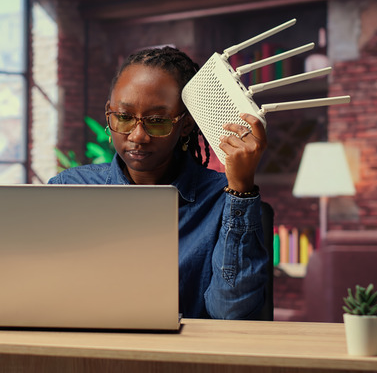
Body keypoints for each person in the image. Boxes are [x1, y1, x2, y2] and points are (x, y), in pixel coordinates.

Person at [49, 46, 269, 320]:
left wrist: (240, 190)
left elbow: (230, 313)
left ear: (186, 124)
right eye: (124, 117)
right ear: (109, 113)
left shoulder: (221, 198)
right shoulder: (69, 189)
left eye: (157, 121)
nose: (138, 136)